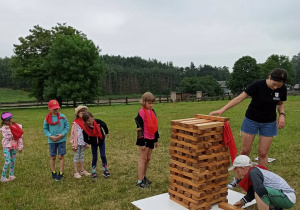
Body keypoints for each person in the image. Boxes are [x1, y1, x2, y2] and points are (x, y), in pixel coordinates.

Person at [209, 68, 287, 188]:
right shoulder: (257, 85)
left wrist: (282, 115)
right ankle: (237, 179)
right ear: (270, 77)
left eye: (279, 85)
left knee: (263, 153)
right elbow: (239, 98)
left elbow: (280, 104)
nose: (275, 87)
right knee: (245, 151)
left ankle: (262, 181)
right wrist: (222, 109)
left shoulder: (282, 88)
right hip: (251, 120)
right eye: (274, 84)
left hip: (269, 123)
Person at [135, 92, 159, 188]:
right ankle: (139, 181)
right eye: (149, 103)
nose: (151, 105)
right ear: (144, 102)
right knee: (143, 159)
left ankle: (144, 177)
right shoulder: (141, 112)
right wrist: (141, 142)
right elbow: (139, 128)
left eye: (152, 103)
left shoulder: (152, 112)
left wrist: (156, 139)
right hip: (144, 139)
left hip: (151, 138)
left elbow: (155, 126)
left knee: (148, 159)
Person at [43, 100, 69, 181]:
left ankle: (61, 172)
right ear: (49, 109)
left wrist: (62, 134)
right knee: (53, 157)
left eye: (57, 108)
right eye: (54, 109)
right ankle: (53, 172)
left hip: (61, 140)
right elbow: (45, 129)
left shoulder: (63, 117)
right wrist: (50, 136)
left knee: (61, 156)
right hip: (52, 141)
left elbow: (67, 127)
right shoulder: (47, 119)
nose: (56, 110)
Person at [82, 111, 110, 180]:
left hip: (101, 141)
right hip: (93, 143)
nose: (90, 122)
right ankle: (94, 171)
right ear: (85, 122)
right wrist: (88, 143)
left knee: (103, 155)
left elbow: (104, 124)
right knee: (95, 157)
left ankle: (105, 169)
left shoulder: (97, 122)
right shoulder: (85, 129)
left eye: (91, 119)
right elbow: (85, 138)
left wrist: (106, 132)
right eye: (88, 121)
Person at [0, 112, 24, 182]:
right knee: (7, 161)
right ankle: (3, 177)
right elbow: (7, 137)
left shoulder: (17, 126)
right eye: (8, 120)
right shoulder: (4, 129)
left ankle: (11, 175)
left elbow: (20, 136)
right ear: (4, 121)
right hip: (6, 146)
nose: (10, 120)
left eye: (11, 118)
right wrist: (10, 129)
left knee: (13, 161)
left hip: (13, 146)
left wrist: (20, 146)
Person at [70, 106, 91, 178]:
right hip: (77, 143)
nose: (83, 114)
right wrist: (73, 143)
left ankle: (82, 170)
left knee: (81, 156)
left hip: (83, 142)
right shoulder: (75, 123)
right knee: (76, 156)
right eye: (82, 113)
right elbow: (73, 134)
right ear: (78, 114)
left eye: (85, 113)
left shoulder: (86, 122)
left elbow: (88, 133)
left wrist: (87, 142)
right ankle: (76, 172)